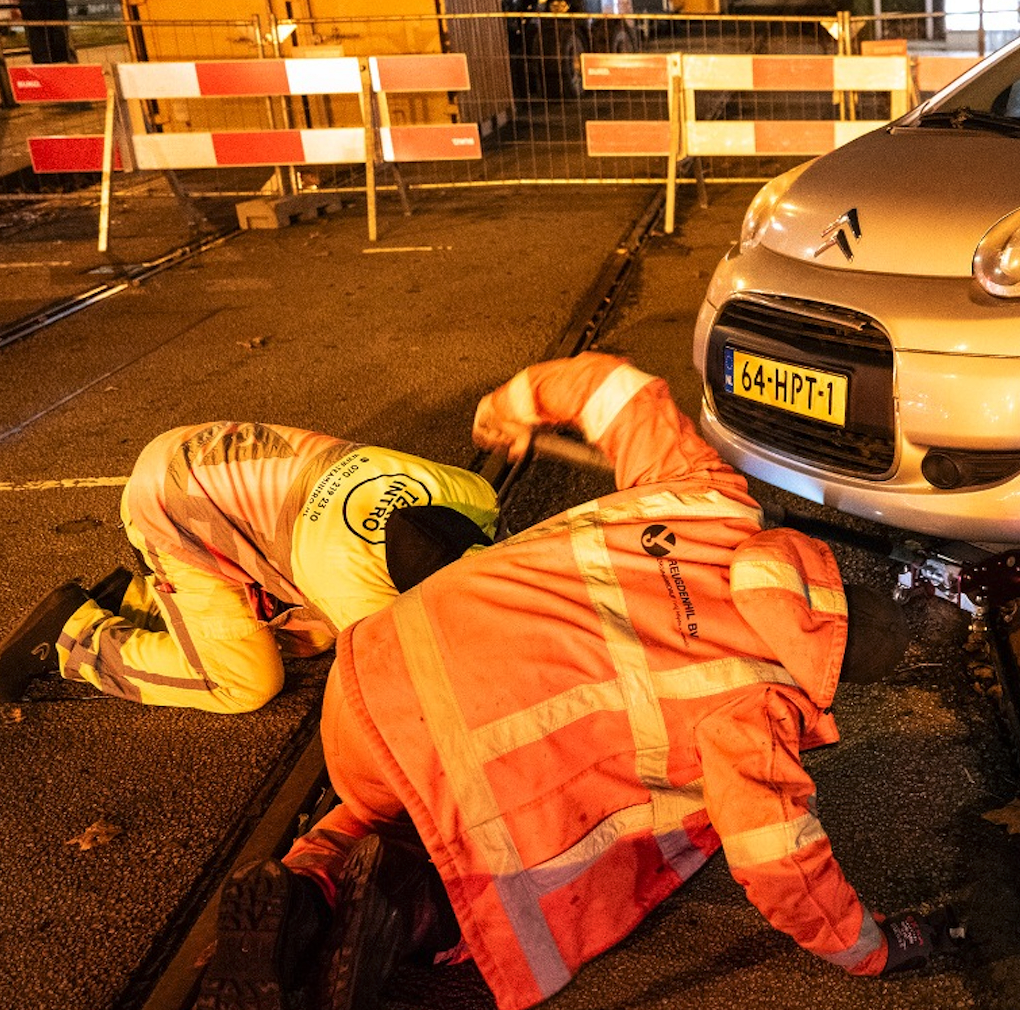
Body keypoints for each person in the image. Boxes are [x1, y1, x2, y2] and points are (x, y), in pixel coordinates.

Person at [194, 353, 940, 1010]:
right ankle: (385, 910)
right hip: (456, 758)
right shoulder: (764, 706)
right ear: (833, 670)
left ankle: (302, 892)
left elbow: (619, 391)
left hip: (366, 675)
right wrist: (867, 947)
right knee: (456, 863)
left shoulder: (711, 498)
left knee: (373, 802)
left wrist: (513, 405)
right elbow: (777, 855)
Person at [0, 422, 498, 712]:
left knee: (315, 637)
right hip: (171, 506)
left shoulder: (471, 495)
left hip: (202, 454)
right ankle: (73, 636)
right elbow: (405, 695)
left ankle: (140, 602)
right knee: (246, 683)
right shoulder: (350, 584)